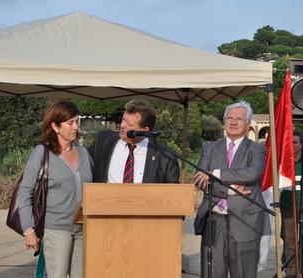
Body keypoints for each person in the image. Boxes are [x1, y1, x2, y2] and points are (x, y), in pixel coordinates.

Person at [193, 100, 270, 278]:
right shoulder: (209, 148)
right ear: (224, 121)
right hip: (213, 221)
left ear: (248, 124)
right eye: (229, 118)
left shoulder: (257, 149)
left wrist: (216, 173)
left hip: (245, 222)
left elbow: (252, 173)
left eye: (239, 119)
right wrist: (230, 191)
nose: (233, 122)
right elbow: (200, 179)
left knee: (243, 273)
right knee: (212, 273)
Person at [18, 100, 93, 278]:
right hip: (56, 229)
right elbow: (25, 191)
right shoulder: (42, 153)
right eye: (70, 123)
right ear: (55, 126)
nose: (76, 127)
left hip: (85, 229)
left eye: (77, 121)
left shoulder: (84, 153)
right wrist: (29, 231)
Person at [89, 99, 179, 184]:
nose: (122, 125)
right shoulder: (103, 140)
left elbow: (173, 192)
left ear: (144, 130)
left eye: (129, 124)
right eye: (123, 120)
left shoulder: (165, 156)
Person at [280, 129, 302, 278]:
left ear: (301, 145)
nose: (292, 145)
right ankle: (291, 273)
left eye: (295, 142)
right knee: (290, 242)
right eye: (290, 142)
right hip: (288, 208)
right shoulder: (283, 163)